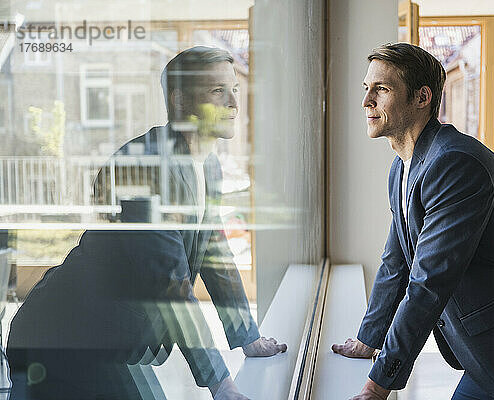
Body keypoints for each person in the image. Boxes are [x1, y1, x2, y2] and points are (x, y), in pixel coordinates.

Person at [7, 46, 286, 400]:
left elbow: (214, 251)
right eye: (217, 91)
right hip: (61, 337)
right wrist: (221, 384)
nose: (233, 102)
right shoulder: (143, 167)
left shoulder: (208, 165)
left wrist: (248, 337)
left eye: (234, 89)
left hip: (107, 339)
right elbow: (170, 283)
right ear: (181, 100)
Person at [332, 42, 494, 400]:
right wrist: (369, 340)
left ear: (421, 97)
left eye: (381, 89)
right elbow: (396, 262)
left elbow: (428, 281)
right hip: (492, 354)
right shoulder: (402, 167)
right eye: (366, 89)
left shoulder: (456, 164)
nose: (367, 101)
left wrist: (379, 383)